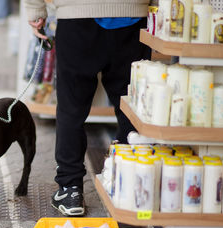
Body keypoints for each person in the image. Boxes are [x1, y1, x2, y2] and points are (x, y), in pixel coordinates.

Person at [25, 0, 151, 216]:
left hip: (77, 16)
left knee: (71, 109)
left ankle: (70, 189)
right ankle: (128, 183)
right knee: (131, 106)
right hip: (132, 16)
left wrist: (35, 9)